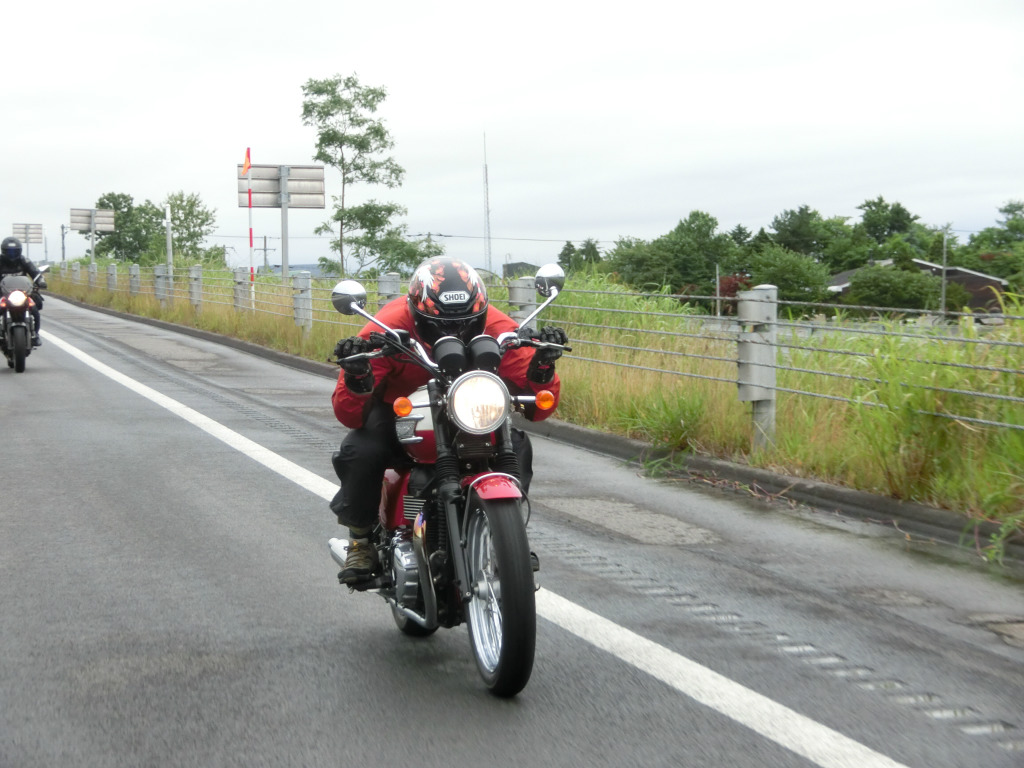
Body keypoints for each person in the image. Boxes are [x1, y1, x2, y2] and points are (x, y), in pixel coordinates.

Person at [330, 256, 567, 583]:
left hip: (469, 406)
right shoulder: (387, 327)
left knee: (516, 444)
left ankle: (508, 536)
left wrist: (543, 367)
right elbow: (347, 413)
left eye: (466, 323)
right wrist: (357, 375)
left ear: (480, 312)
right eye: (440, 324)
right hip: (398, 408)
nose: (455, 331)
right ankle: (360, 541)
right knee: (361, 450)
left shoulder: (497, 327)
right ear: (416, 313)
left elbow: (539, 409)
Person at [0, 237, 46, 346]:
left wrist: (41, 281)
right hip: (3, 293)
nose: (11, 254)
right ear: (3, 251)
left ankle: (35, 334)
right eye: (9, 252)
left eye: (14, 251)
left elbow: (35, 272)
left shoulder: (24, 261)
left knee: (34, 309)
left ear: (19, 251)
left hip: (22, 293)